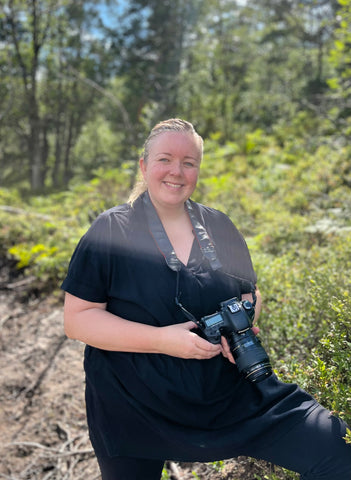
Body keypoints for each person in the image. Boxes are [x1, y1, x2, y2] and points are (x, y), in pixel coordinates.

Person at [62, 118, 351, 480]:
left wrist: (240, 326)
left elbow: (250, 292)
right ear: (144, 166)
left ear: (198, 169)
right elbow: (78, 319)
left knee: (340, 452)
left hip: (232, 398)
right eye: (165, 159)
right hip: (133, 407)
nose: (177, 172)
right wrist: (162, 341)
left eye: (189, 162)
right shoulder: (109, 230)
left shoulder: (219, 226)